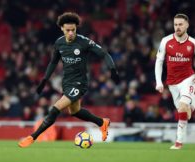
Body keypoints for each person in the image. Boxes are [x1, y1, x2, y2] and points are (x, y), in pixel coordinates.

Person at [18, 12, 119, 148]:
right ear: (62, 29)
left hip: (80, 83)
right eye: (68, 30)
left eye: (73, 30)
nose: (71, 33)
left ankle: (32, 137)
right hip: (67, 82)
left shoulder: (84, 42)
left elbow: (104, 54)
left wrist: (112, 69)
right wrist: (44, 79)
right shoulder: (59, 43)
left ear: (76, 28)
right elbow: (53, 63)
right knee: (75, 111)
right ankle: (102, 123)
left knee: (55, 108)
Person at [155, 13, 195, 149]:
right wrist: (159, 82)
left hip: (188, 79)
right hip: (172, 83)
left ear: (187, 25)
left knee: (182, 107)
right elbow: (159, 62)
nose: (177, 27)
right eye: (175, 24)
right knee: (185, 113)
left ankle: (179, 142)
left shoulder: (194, 43)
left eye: (180, 24)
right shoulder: (165, 41)